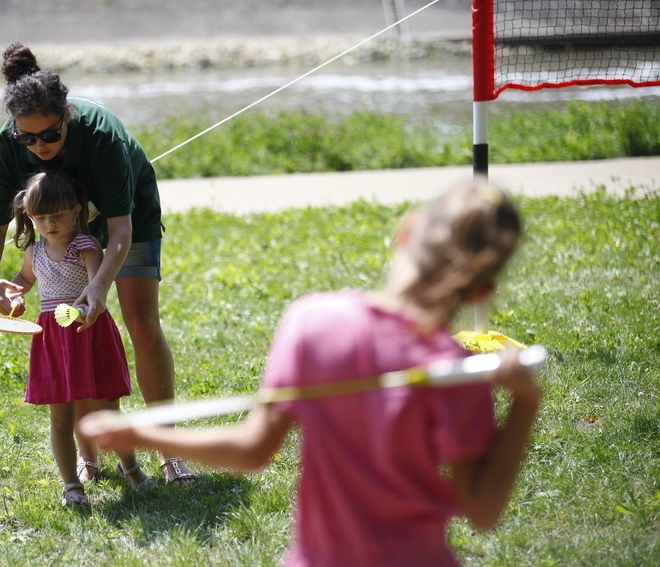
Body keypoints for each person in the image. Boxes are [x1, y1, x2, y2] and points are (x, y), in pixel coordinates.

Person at [81, 179, 542, 565]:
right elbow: (481, 510)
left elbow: (252, 449)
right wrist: (524, 404)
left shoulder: (315, 320)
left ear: (406, 232)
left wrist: (139, 434)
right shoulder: (458, 373)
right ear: (482, 290)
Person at [0, 42, 196, 485]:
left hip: (125, 218)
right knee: (74, 339)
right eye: (27, 137)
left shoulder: (102, 135)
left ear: (67, 118)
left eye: (50, 135)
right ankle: (88, 455)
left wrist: (98, 288)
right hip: (60, 222)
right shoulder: (9, 143)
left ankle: (169, 450)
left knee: (139, 319)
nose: (38, 145)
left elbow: (119, 230)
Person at [9, 170, 156, 507]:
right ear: (30, 217)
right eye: (40, 217)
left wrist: (89, 306)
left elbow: (96, 286)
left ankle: (130, 467)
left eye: (57, 214)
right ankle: (71, 485)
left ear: (77, 210)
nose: (49, 223)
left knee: (108, 408)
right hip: (53, 339)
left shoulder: (85, 245)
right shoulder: (34, 251)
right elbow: (23, 280)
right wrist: (15, 297)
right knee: (61, 416)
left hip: (89, 331)